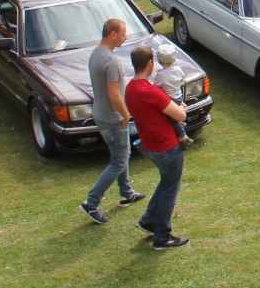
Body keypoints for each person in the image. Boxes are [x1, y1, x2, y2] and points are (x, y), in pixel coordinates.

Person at [79, 19, 144, 224]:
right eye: (123, 33)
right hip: (113, 118)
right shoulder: (111, 61)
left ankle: (127, 193)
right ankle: (91, 202)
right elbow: (115, 95)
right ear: (113, 35)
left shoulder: (95, 54)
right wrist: (125, 115)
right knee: (118, 160)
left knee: (121, 155)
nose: (125, 37)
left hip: (100, 114)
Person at [126, 45, 189, 248]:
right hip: (167, 147)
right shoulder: (151, 92)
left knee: (165, 182)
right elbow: (180, 116)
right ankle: (162, 235)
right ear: (150, 64)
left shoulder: (130, 88)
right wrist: (180, 106)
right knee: (171, 188)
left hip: (150, 146)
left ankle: (148, 220)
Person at [151, 43, 193, 145]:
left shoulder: (160, 74)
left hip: (171, 99)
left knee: (171, 118)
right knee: (174, 116)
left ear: (160, 61)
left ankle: (183, 136)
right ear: (174, 59)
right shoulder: (178, 70)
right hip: (179, 96)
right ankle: (180, 120)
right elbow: (182, 81)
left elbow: (155, 87)